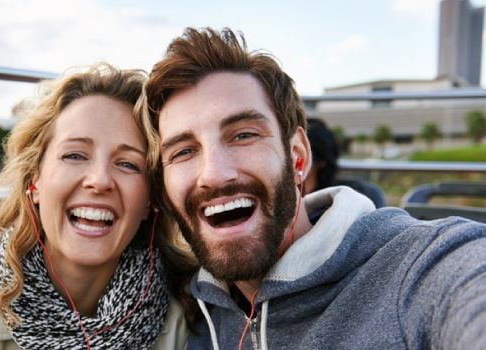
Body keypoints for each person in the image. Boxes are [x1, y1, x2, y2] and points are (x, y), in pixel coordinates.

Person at [145, 27, 486, 349]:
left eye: (244, 135)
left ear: (297, 157)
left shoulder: (418, 267)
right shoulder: (191, 309)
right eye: (184, 151)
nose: (215, 174)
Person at [0, 63, 198, 349]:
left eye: (128, 164)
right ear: (35, 180)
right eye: (75, 155)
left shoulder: (192, 316)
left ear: (150, 201)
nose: (99, 180)